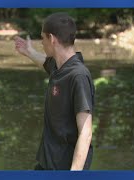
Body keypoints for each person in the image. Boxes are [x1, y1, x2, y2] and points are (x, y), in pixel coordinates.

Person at [14, 12, 95, 170]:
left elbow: (86, 133)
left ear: (51, 39)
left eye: (42, 38)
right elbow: (46, 63)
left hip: (65, 167)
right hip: (47, 163)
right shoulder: (60, 67)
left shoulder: (78, 76)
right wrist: (28, 52)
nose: (41, 43)